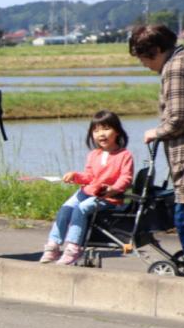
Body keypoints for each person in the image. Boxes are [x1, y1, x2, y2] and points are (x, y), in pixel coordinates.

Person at [40, 110, 134, 266]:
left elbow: (126, 178)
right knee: (66, 208)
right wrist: (75, 176)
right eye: (96, 131)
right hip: (86, 191)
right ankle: (53, 245)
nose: (101, 134)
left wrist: (113, 189)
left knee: (82, 208)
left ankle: (73, 247)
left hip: (107, 196)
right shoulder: (93, 154)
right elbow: (89, 176)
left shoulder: (124, 155)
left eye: (106, 129)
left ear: (117, 131)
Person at [130, 24, 184, 257]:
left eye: (142, 57)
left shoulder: (175, 67)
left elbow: (179, 118)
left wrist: (156, 132)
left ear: (155, 50)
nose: (143, 63)